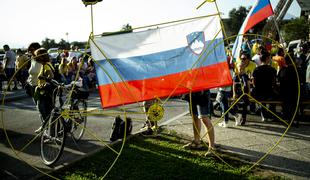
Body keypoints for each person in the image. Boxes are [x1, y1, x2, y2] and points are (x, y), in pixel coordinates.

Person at [183, 90, 216, 156]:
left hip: (203, 91)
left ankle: (211, 148)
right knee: (194, 116)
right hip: (191, 90)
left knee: (204, 119)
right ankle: (196, 142)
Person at [33, 48, 55, 133]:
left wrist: (43, 79)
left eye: (37, 55)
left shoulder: (46, 65)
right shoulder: (47, 64)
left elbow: (51, 76)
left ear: (41, 57)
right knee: (47, 112)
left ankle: (47, 130)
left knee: (43, 111)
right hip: (45, 92)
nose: (35, 57)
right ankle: (48, 130)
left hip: (44, 92)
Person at [252, 51, 277, 122]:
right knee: (274, 96)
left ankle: (264, 116)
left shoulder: (256, 70)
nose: (270, 59)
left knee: (261, 99)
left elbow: (253, 82)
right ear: (267, 59)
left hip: (258, 93)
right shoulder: (272, 70)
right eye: (269, 58)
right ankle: (272, 114)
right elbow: (274, 83)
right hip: (269, 92)